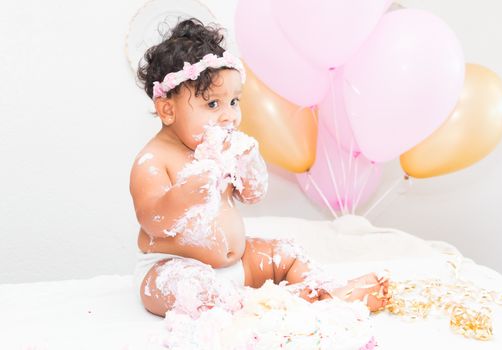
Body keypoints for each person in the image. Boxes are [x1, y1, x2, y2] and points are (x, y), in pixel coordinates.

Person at [131, 18, 390, 318]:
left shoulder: (221, 150)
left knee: (287, 252)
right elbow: (154, 220)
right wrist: (194, 187)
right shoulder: (153, 159)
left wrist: (249, 165)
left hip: (238, 264)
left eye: (234, 102)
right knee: (192, 290)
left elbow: (252, 195)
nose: (229, 116)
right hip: (173, 267)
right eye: (213, 105)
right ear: (167, 110)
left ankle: (323, 289)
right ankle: (276, 304)